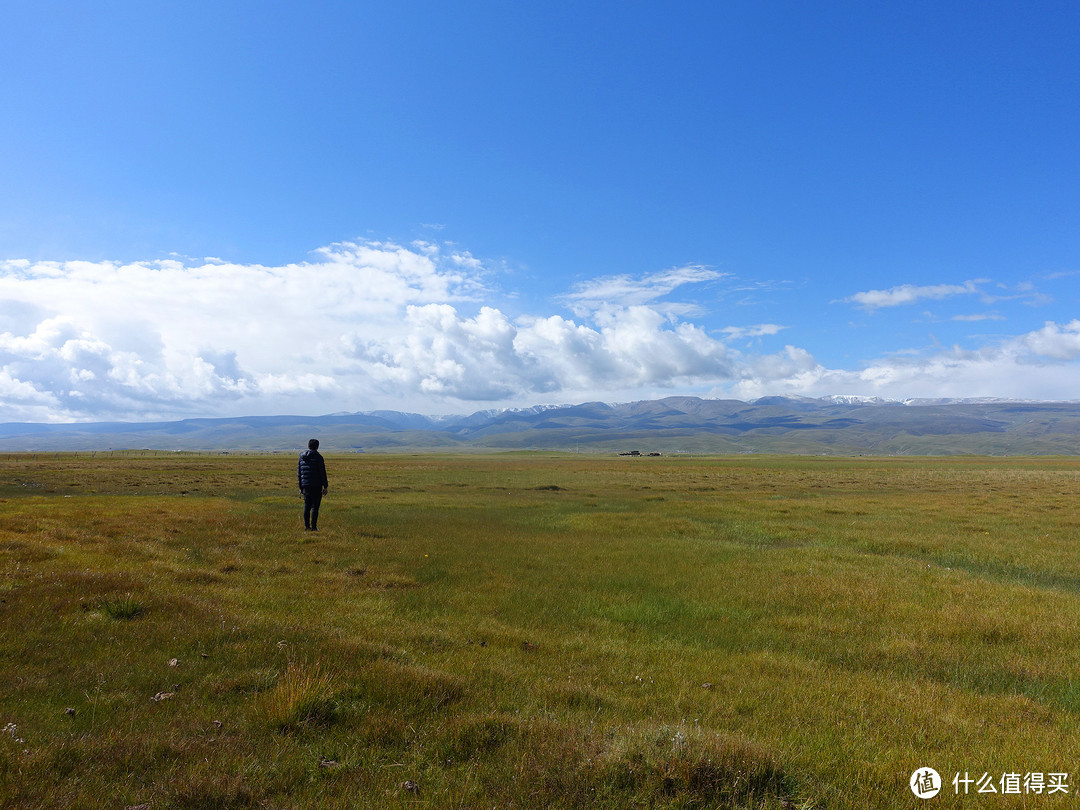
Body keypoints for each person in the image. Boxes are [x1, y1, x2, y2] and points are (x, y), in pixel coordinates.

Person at [297, 438, 329, 531]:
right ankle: (314, 527)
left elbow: (299, 473)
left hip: (305, 485)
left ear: (308, 446)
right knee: (315, 507)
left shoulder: (301, 457)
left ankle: (307, 527)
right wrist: (325, 486)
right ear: (317, 447)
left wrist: (300, 487)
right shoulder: (318, 457)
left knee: (307, 506)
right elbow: (322, 472)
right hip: (316, 485)